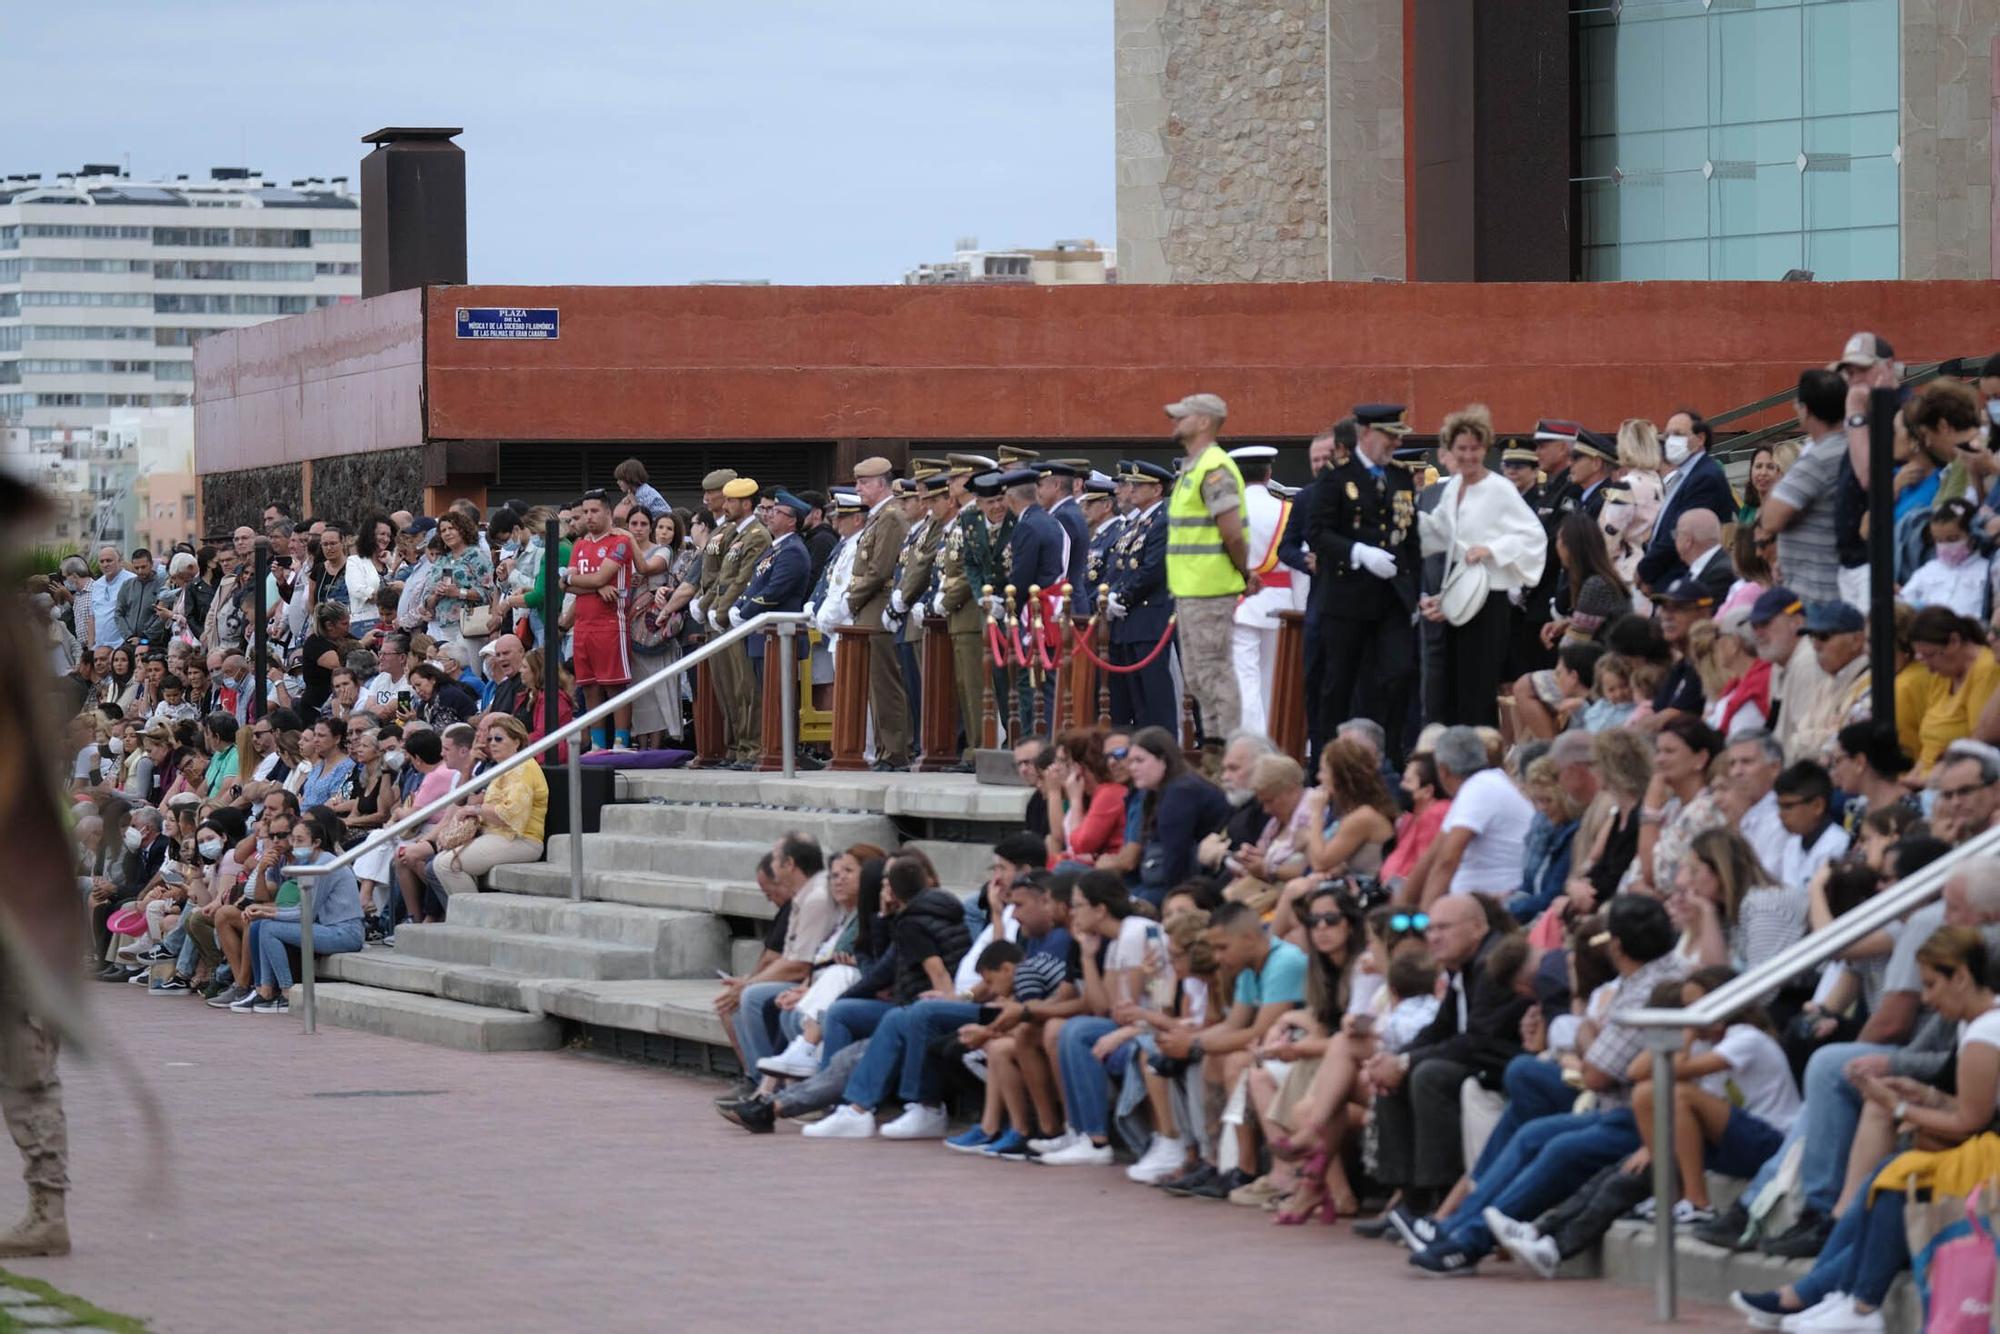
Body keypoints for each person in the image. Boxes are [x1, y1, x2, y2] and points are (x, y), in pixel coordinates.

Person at [1732, 924, 2000, 1331]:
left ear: (1960, 977)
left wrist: (1898, 1108)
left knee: (1898, 1180)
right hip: (1984, 1150)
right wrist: (1919, 1096)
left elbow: (1970, 1122)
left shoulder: (1986, 1031)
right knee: (1884, 1176)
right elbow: (1970, 1109)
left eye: (1931, 984)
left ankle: (1856, 1304)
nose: (1926, 998)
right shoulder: (1974, 1025)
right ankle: (1829, 1297)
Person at [1418, 404, 1547, 727]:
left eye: (1475, 448)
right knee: (1442, 690)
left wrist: (1491, 549)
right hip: (1453, 596)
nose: (1468, 456)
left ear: (1485, 448)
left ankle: (1479, 764)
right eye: (1461, 448)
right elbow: (1439, 536)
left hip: (1487, 601)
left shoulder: (1499, 489)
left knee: (1475, 691)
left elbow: (1532, 536)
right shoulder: (1450, 489)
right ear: (1450, 450)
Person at [1308, 403, 1423, 757]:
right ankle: (1327, 764)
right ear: (1366, 433)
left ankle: (1388, 756)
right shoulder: (1337, 477)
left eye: (1398, 437)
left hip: (1393, 598)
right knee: (1339, 684)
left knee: (1400, 673)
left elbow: (1412, 539)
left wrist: (1418, 591)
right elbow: (1319, 534)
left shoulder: (1401, 477)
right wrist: (1359, 553)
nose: (1394, 444)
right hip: (1347, 597)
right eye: (1389, 436)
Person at [1163, 392, 1254, 750]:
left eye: (1182, 416)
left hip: (1210, 588)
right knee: (1200, 678)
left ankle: (1230, 752)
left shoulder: (1213, 467)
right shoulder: (1195, 465)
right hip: (1192, 588)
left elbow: (1231, 531)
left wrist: (1245, 573)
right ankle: (1216, 749)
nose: (1175, 422)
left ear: (1203, 421)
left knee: (1215, 674)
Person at [230, 807, 366, 1014]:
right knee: (262, 924)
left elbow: (306, 913)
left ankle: (286, 992)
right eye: (293, 840)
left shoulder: (325, 865)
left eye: (300, 840)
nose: (294, 845)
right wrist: (263, 911)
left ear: (317, 843)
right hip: (328, 927)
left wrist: (267, 912)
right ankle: (264, 990)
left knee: (268, 927)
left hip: (345, 932)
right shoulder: (310, 863)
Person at [428, 716, 549, 899]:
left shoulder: (523, 767)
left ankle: (472, 917)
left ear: (517, 741)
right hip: (498, 836)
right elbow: (464, 799)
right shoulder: (503, 767)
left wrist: (475, 810)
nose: (492, 743)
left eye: (499, 739)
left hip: (522, 840)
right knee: (439, 863)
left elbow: (509, 814)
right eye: (490, 739)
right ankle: (465, 916)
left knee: (446, 864)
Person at [845, 457, 913, 770]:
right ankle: (887, 751)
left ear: (881, 484)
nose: (858, 488)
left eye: (864, 482)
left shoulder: (891, 517)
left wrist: (851, 599)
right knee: (876, 686)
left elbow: (880, 568)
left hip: (878, 607)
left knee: (886, 686)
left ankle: (895, 752)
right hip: (868, 609)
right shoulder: (878, 517)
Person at [1420, 725, 1536, 906]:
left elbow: (1446, 861)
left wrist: (1424, 923)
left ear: (1442, 770)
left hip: (1496, 908)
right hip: (1478, 904)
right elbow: (1432, 857)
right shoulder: (1482, 785)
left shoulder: (1481, 787)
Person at [560, 489, 636, 752]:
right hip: (582, 625)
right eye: (585, 512)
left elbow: (598, 578)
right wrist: (594, 586)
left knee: (615, 686)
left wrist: (588, 582)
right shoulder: (580, 545)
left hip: (611, 624)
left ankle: (622, 741)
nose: (589, 517)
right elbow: (564, 583)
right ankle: (597, 744)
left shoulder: (619, 542)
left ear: (607, 512)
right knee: (589, 687)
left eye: (594, 511)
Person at [1104, 460, 1176, 736]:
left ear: (1157, 489)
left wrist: (1122, 598)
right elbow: (1120, 565)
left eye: (1138, 485)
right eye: (1130, 485)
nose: (1130, 490)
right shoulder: (1137, 522)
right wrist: (1111, 595)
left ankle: (1162, 747)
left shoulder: (1163, 521)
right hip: (1129, 618)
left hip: (1150, 614)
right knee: (1134, 694)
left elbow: (1152, 570)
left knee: (1154, 693)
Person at [1126, 725, 1233, 906]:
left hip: (1200, 884)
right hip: (1168, 879)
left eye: (1139, 760)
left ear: (1163, 760)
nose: (1133, 768)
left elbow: (1176, 859)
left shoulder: (1180, 792)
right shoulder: (1156, 791)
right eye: (1130, 761)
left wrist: (1173, 903)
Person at [1636, 408, 1733, 594]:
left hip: (1686, 581)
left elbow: (1680, 534)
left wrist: (1645, 572)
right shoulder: (1686, 475)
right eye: (1668, 435)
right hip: (1668, 578)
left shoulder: (1705, 477)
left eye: (1678, 434)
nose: (1671, 441)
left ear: (1700, 439)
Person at [706, 477, 768, 767]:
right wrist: (705, 604)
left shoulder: (756, 534)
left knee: (745, 688)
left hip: (737, 617)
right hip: (722, 614)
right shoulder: (733, 532)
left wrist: (721, 610)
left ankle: (751, 748)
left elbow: (743, 579)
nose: (725, 505)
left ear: (746, 503)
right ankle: (737, 747)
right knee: (728, 688)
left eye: (731, 501)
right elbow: (720, 577)